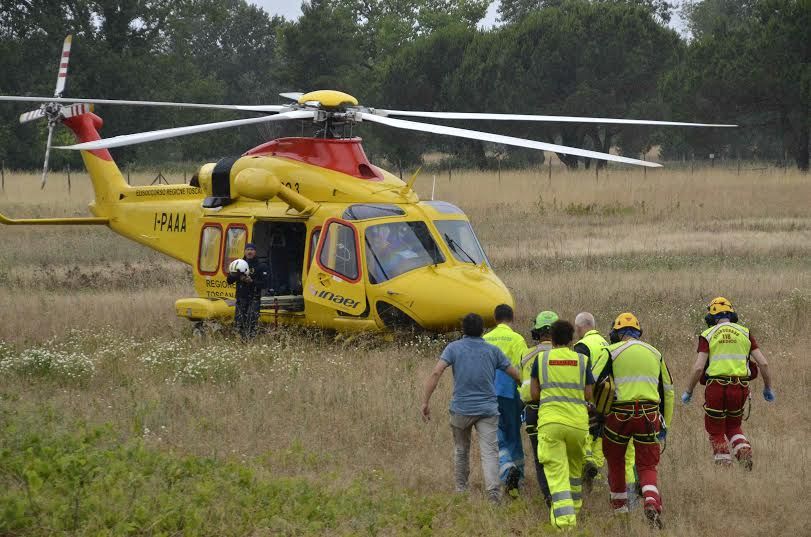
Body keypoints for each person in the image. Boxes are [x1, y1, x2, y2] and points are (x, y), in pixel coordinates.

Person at [422, 313, 521, 503]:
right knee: (490, 451)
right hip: (488, 410)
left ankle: (461, 490)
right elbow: (513, 372)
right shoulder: (493, 351)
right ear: (482, 330)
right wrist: (519, 383)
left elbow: (436, 372)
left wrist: (425, 401)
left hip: (461, 409)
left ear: (463, 330)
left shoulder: (453, 348)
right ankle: (493, 494)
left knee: (461, 449)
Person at [598, 313, 673, 529]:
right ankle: (651, 501)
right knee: (647, 464)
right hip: (649, 416)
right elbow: (668, 391)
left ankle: (621, 512)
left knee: (616, 461)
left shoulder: (610, 351)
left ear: (616, 333)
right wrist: (664, 423)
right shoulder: (656, 353)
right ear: (639, 333)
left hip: (618, 416)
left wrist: (595, 416)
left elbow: (594, 382)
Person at [681, 297, 775, 469]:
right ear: (732, 315)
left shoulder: (708, 335)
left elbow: (698, 368)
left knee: (716, 430)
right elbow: (764, 363)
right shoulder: (745, 333)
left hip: (716, 388)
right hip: (740, 388)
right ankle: (744, 450)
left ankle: (724, 467)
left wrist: (689, 390)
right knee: (734, 426)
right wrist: (768, 388)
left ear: (711, 317)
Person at [530, 319, 594, 530]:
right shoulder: (582, 360)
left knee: (557, 475)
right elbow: (589, 394)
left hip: (551, 423)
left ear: (552, 338)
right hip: (578, 425)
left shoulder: (541, 360)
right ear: (571, 339)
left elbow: (534, 394)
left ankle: (565, 525)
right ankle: (574, 511)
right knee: (574, 473)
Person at [574, 312, 637, 499]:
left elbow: (582, 376)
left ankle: (589, 479)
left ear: (579, 328)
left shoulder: (582, 346)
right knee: (604, 443)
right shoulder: (607, 343)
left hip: (592, 401)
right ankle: (607, 488)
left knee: (588, 441)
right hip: (611, 401)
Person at [483, 304, 529, 496]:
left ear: (495, 318)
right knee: (513, 433)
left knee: (495, 435)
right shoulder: (517, 339)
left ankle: (506, 467)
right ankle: (518, 477)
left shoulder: (485, 339)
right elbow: (524, 366)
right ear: (512, 318)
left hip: (488, 392)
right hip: (511, 392)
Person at [518, 310, 558, 505]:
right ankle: (563, 493)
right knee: (561, 455)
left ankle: (548, 495)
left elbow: (524, 390)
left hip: (534, 412)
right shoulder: (566, 354)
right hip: (560, 411)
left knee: (540, 457)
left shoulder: (527, 356)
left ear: (537, 332)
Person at [226, 243, 269, 340]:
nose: (249, 252)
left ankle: (250, 342)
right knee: (239, 322)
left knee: (251, 322)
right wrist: (234, 275)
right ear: (244, 251)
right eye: (247, 250)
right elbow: (229, 281)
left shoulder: (261, 266)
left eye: (252, 250)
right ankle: (240, 342)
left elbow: (265, 284)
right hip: (241, 298)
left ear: (255, 252)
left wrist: (252, 281)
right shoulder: (238, 264)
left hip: (254, 299)